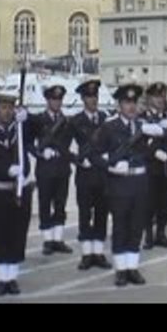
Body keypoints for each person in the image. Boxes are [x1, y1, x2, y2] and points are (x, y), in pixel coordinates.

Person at [95, 83, 152, 286]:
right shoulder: (109, 127)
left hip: (139, 182)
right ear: (119, 104)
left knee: (136, 226)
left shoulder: (142, 126)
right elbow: (94, 155)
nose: (131, 106)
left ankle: (132, 267)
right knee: (120, 226)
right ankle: (121, 269)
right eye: (127, 102)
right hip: (119, 183)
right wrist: (110, 166)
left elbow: (149, 153)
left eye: (133, 102)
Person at [0, 91, 37, 296]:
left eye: (10, 108)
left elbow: (37, 133)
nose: (7, 112)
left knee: (16, 234)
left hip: (18, 190)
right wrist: (6, 169)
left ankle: (12, 277)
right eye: (4, 108)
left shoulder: (20, 128)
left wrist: (27, 119)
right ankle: (1, 278)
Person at [71, 79, 112, 270]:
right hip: (86, 174)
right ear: (82, 99)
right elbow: (63, 146)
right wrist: (78, 159)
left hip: (102, 174)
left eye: (95, 96)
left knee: (102, 214)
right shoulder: (75, 121)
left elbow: (115, 141)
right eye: (89, 97)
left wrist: (108, 155)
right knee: (85, 214)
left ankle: (99, 252)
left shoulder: (106, 118)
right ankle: (87, 253)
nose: (93, 100)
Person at [35, 84, 75, 254]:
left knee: (60, 203)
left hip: (62, 168)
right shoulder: (38, 120)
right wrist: (40, 152)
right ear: (47, 100)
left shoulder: (66, 121)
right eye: (54, 99)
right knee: (44, 204)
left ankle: (58, 239)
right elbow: (28, 143)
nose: (57, 103)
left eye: (59, 99)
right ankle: (47, 240)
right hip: (45, 168)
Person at [142, 82, 167, 249]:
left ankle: (161, 233)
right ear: (149, 98)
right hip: (150, 166)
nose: (160, 99)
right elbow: (139, 143)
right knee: (149, 202)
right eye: (156, 96)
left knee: (165, 202)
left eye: (162, 96)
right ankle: (147, 233)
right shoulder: (143, 117)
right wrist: (153, 152)